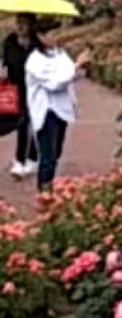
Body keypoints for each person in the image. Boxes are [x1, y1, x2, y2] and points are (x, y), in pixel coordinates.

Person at [24, 25, 80, 193]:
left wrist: (77, 69)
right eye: (52, 33)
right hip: (46, 111)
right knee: (47, 156)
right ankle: (45, 194)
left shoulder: (61, 54)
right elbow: (54, 83)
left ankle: (49, 188)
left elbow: (68, 75)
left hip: (62, 109)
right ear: (40, 36)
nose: (57, 36)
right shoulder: (35, 60)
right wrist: (76, 66)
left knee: (56, 153)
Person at [2, 14, 40, 178]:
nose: (20, 27)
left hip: (35, 89)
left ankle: (28, 159)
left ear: (31, 25)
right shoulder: (9, 41)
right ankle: (23, 160)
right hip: (14, 89)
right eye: (18, 23)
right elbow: (3, 62)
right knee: (22, 123)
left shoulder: (37, 44)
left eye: (24, 24)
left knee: (32, 123)